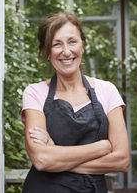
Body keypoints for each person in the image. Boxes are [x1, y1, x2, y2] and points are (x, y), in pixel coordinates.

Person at [21, 12, 130, 193]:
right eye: (56, 44)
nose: (66, 51)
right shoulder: (35, 93)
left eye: (72, 41)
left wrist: (56, 155)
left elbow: (122, 160)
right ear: (47, 52)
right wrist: (101, 147)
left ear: (83, 46)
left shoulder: (107, 90)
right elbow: (41, 159)